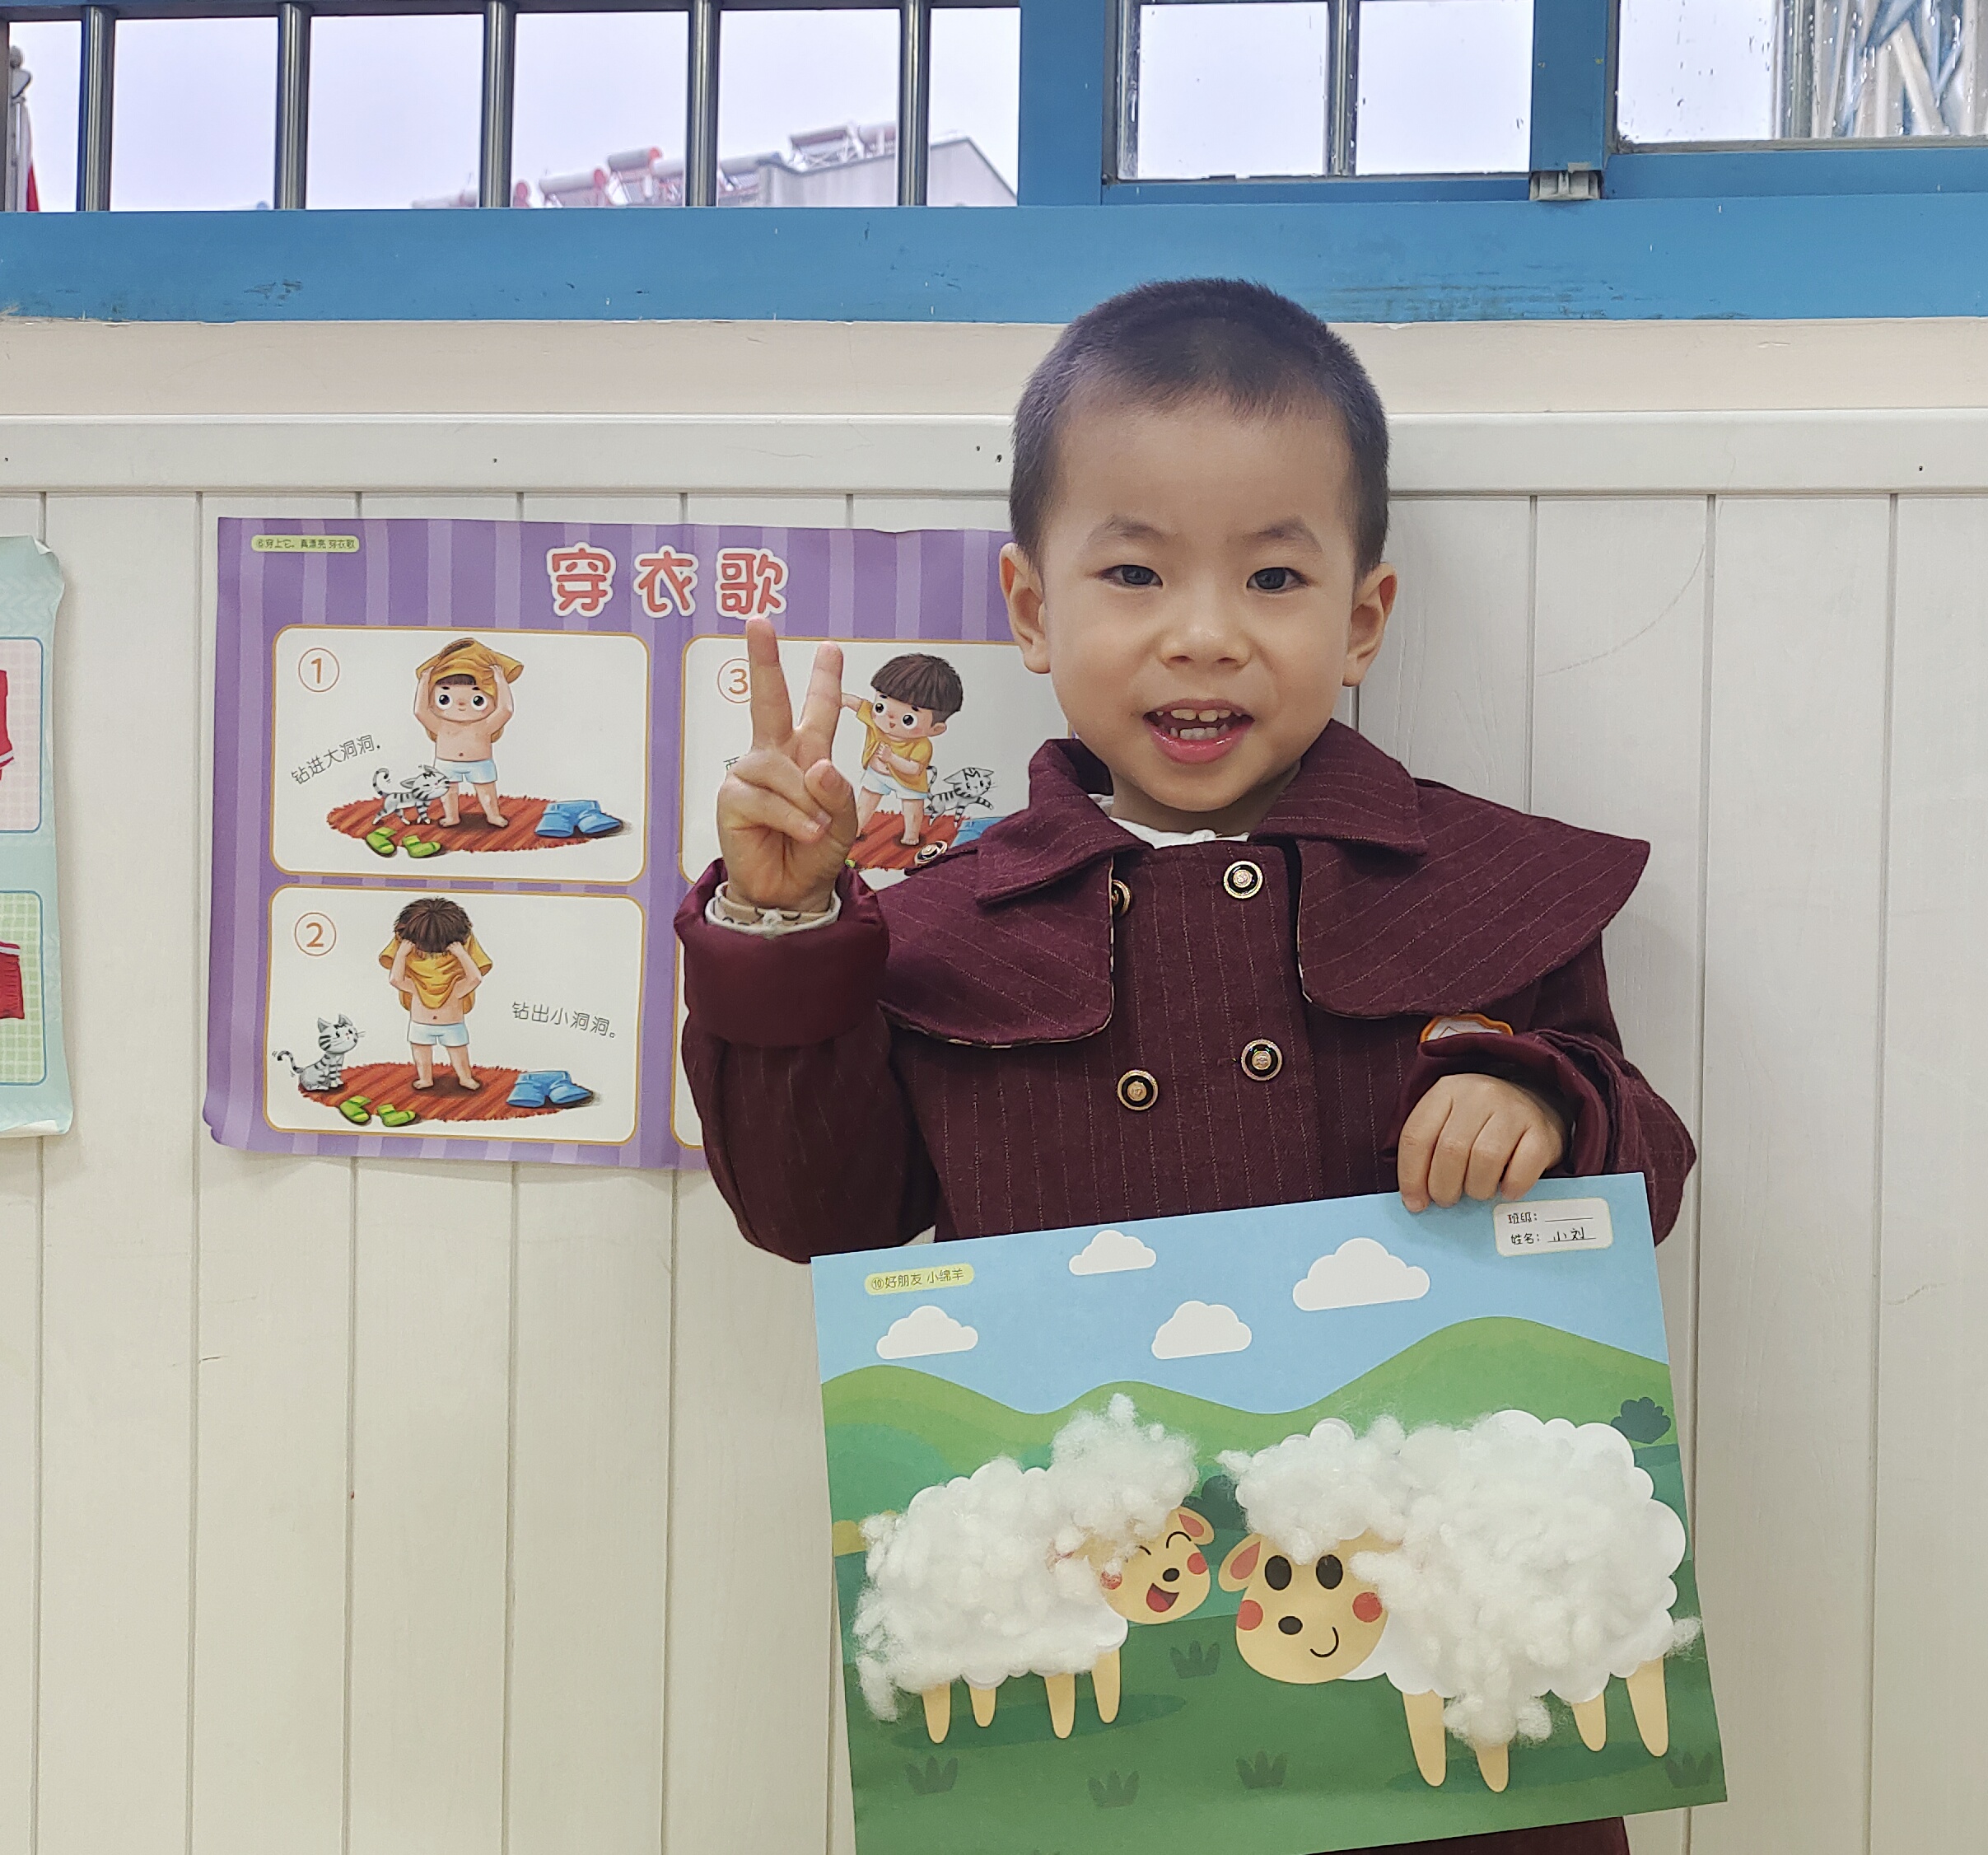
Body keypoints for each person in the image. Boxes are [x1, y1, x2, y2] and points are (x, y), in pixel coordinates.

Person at [676, 278, 1693, 1855]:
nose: (1204, 631)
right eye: (1135, 571)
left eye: (1274, 575)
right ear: (1031, 608)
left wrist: (1538, 1095)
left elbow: (1643, 1173)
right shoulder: (941, 932)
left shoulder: (1485, 893)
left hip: (1444, 1718)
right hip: (1097, 1726)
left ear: (1363, 618)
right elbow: (820, 1212)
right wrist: (790, 922)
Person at [841, 652, 963, 847]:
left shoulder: (922, 745)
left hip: (908, 781)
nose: (889, 720)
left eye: (908, 719)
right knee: (866, 800)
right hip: (877, 772)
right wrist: (841, 699)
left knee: (912, 806)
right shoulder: (874, 720)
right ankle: (855, 829)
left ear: (936, 729)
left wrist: (891, 758)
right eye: (881, 706)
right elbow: (857, 704)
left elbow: (914, 769)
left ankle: (911, 836)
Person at [411, 637, 522, 829]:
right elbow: (420, 711)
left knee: (486, 791)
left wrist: (500, 681)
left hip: (480, 762)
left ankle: (493, 815)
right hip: (446, 762)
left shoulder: (484, 725)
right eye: (445, 698)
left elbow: (506, 710)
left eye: (477, 700)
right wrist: (424, 682)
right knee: (448, 792)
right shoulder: (441, 724)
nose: (461, 705)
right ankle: (451, 816)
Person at [382, 895, 489, 1091]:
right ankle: (425, 1079)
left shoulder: (454, 986)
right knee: (421, 1051)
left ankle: (465, 1078)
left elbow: (475, 978)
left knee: (458, 1052)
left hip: (452, 1024)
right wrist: (402, 954)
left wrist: (461, 953)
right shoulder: (417, 985)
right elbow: (395, 979)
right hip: (421, 1024)